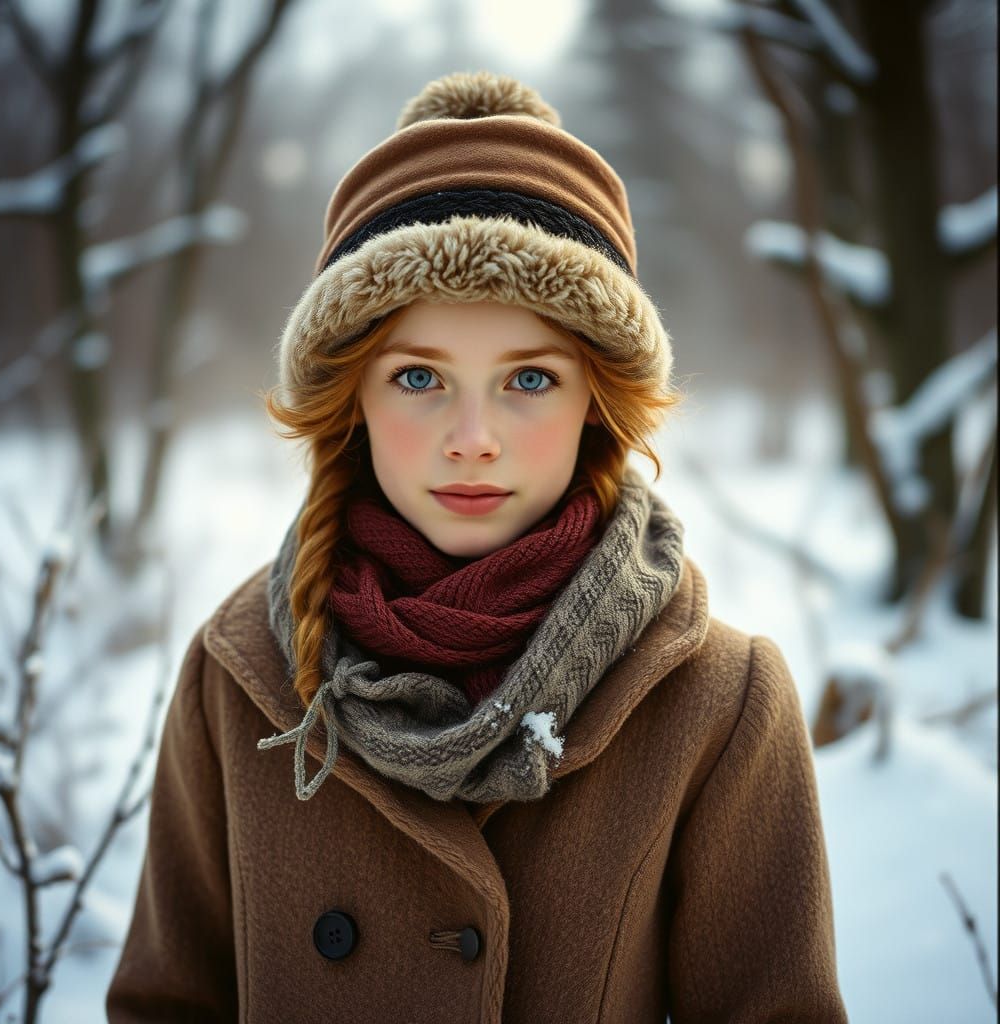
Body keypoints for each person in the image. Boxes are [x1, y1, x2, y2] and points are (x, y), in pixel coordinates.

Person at [106, 71, 848, 1023]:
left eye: (529, 380)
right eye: (418, 375)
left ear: (597, 404)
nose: (473, 437)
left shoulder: (716, 700)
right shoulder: (240, 672)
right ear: (352, 400)